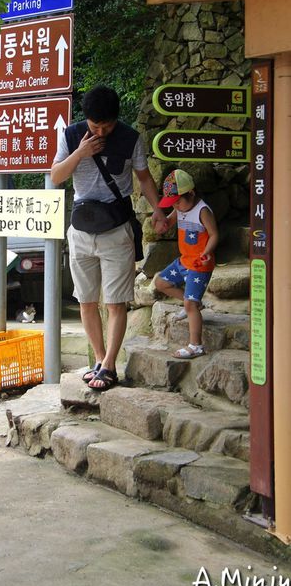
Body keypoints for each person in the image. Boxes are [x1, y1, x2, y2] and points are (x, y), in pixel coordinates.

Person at [51, 84, 167, 391]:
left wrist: (158, 211)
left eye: (107, 126)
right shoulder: (72, 135)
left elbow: (144, 177)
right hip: (80, 230)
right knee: (86, 301)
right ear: (86, 119)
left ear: (116, 119)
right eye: (94, 126)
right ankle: (99, 361)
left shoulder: (130, 138)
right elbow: (56, 176)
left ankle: (110, 365)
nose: (101, 132)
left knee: (116, 302)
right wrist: (81, 152)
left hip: (116, 229)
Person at [154, 169, 219, 358]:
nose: (175, 206)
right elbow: (169, 222)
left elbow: (214, 234)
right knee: (161, 283)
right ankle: (192, 304)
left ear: (191, 193)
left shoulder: (202, 210)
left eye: (177, 201)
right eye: (172, 203)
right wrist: (162, 224)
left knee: (190, 303)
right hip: (184, 260)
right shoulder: (179, 208)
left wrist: (207, 251)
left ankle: (196, 345)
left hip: (200, 264)